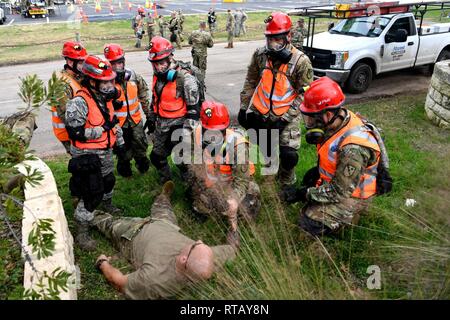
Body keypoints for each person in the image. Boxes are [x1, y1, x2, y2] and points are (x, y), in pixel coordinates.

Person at [284, 77, 391, 238]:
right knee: (310, 178)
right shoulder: (340, 118)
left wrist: (304, 193)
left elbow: (339, 191)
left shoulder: (353, 149)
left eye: (312, 117)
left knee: (307, 225)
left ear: (327, 115)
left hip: (353, 195)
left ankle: (353, 215)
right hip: (342, 182)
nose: (308, 122)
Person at [93, 181, 236, 300]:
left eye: (195, 245)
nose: (197, 240)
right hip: (166, 224)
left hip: (132, 232)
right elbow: (233, 248)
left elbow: (119, 282)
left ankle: (87, 213)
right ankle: (163, 197)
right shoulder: (205, 261)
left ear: (183, 259)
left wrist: (102, 263)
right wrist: (234, 224)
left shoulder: (154, 280)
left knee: (109, 224)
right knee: (163, 205)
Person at [238, 12, 313, 198]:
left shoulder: (301, 61)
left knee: (289, 156)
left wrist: (285, 119)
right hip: (262, 112)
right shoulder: (260, 55)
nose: (273, 44)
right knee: (266, 150)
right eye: (270, 39)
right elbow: (251, 80)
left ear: (288, 36)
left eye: (277, 39)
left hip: (286, 116)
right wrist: (243, 107)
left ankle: (287, 184)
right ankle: (269, 177)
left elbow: (304, 94)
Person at [65, 55, 125, 251]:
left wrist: (120, 140)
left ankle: (107, 205)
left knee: (108, 181)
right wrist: (100, 130)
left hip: (104, 151)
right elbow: (75, 133)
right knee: (93, 192)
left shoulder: (103, 98)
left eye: (111, 80)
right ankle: (81, 231)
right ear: (92, 82)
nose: (110, 86)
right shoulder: (79, 102)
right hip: (87, 154)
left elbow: (112, 122)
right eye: (105, 82)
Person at [185, 101, 261, 248]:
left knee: (246, 209)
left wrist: (234, 199)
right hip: (213, 182)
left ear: (226, 128)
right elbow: (195, 162)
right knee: (199, 207)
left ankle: (234, 228)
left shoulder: (237, 145)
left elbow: (242, 181)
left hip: (236, 182)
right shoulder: (197, 133)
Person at [146, 36, 201, 184]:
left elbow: (194, 113)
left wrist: (186, 134)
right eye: (155, 64)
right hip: (162, 124)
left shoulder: (185, 79)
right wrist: (151, 118)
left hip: (181, 125)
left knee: (182, 160)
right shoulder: (157, 76)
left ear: (171, 57)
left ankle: (190, 184)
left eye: (161, 63)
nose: (158, 68)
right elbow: (155, 98)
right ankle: (167, 182)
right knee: (156, 157)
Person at [104, 43, 151, 177]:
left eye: (120, 62)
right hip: (119, 125)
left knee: (141, 149)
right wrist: (111, 102)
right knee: (123, 152)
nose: (117, 66)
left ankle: (144, 171)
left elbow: (143, 93)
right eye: (113, 63)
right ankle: (126, 175)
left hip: (135, 122)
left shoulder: (133, 76)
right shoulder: (105, 82)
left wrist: (149, 115)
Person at [51, 41, 88, 154]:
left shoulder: (78, 77)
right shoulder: (61, 84)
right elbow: (66, 114)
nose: (84, 65)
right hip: (70, 133)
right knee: (84, 164)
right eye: (81, 62)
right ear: (70, 62)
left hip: (81, 129)